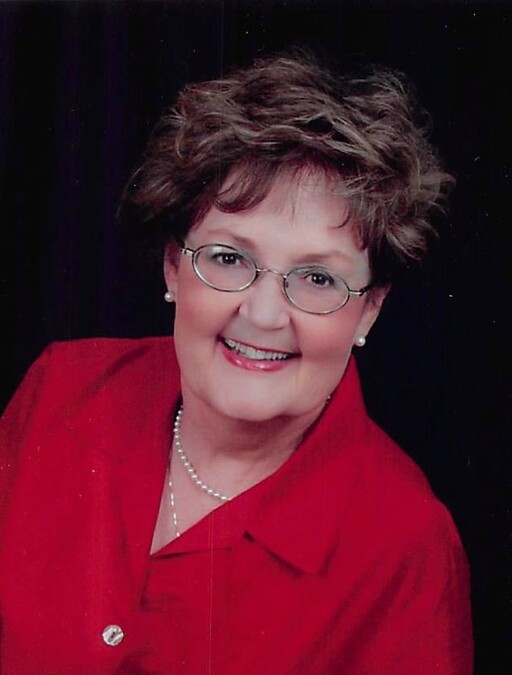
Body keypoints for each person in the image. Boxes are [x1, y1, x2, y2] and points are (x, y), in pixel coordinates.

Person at [0, 53, 472, 674]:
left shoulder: (406, 547)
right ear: (174, 266)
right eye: (229, 258)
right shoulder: (62, 388)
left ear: (369, 311)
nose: (265, 314)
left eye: (317, 277)